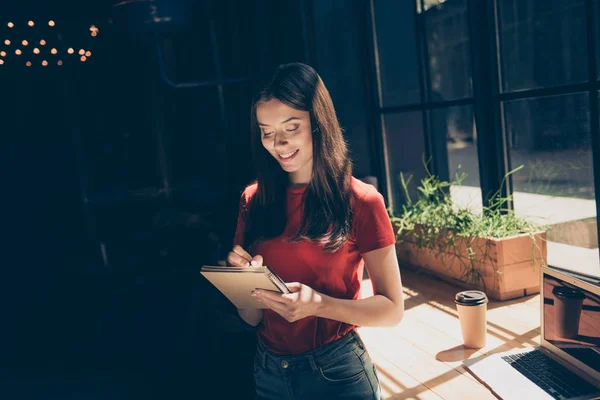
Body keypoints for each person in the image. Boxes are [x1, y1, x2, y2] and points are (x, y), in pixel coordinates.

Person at [227, 62, 404, 400]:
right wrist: (243, 282)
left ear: (318, 123)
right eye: (266, 131)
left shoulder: (362, 201)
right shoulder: (253, 200)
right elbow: (250, 318)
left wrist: (318, 305)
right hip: (268, 372)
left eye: (290, 128)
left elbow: (392, 310)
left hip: (337, 372)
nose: (278, 143)